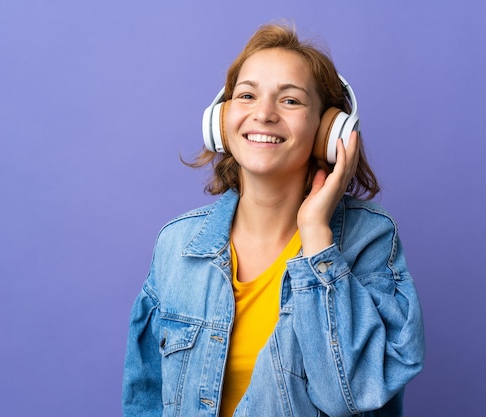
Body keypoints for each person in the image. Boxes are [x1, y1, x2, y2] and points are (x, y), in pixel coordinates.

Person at [122, 22, 424, 417]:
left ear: (330, 130)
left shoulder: (370, 240)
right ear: (222, 120)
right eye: (246, 95)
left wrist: (316, 235)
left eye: (290, 101)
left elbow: (347, 394)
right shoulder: (177, 245)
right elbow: (145, 400)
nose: (263, 114)